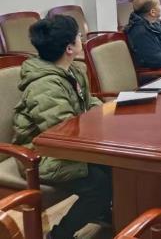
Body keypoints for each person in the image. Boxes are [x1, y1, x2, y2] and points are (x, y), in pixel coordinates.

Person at [13, 15, 111, 239]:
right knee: (99, 186)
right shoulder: (44, 85)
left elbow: (88, 101)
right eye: (78, 36)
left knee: (117, 166)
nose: (81, 38)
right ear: (69, 48)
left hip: (67, 147)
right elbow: (63, 131)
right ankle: (60, 235)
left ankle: (103, 213)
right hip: (40, 155)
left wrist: (107, 111)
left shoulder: (72, 70)